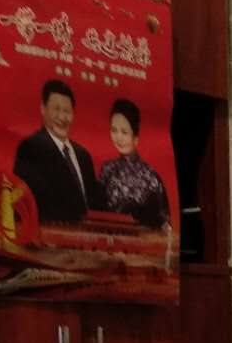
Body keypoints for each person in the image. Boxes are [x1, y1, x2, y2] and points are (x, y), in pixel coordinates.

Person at [12, 80, 103, 223]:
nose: (62, 117)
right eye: (56, 109)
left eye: (67, 111)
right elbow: (28, 203)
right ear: (43, 109)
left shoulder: (83, 155)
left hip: (89, 232)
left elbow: (94, 204)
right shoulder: (31, 148)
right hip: (51, 231)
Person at [98, 98, 171, 231]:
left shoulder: (150, 176)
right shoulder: (107, 169)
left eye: (124, 132)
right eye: (114, 130)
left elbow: (164, 223)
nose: (118, 137)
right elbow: (98, 213)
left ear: (135, 136)